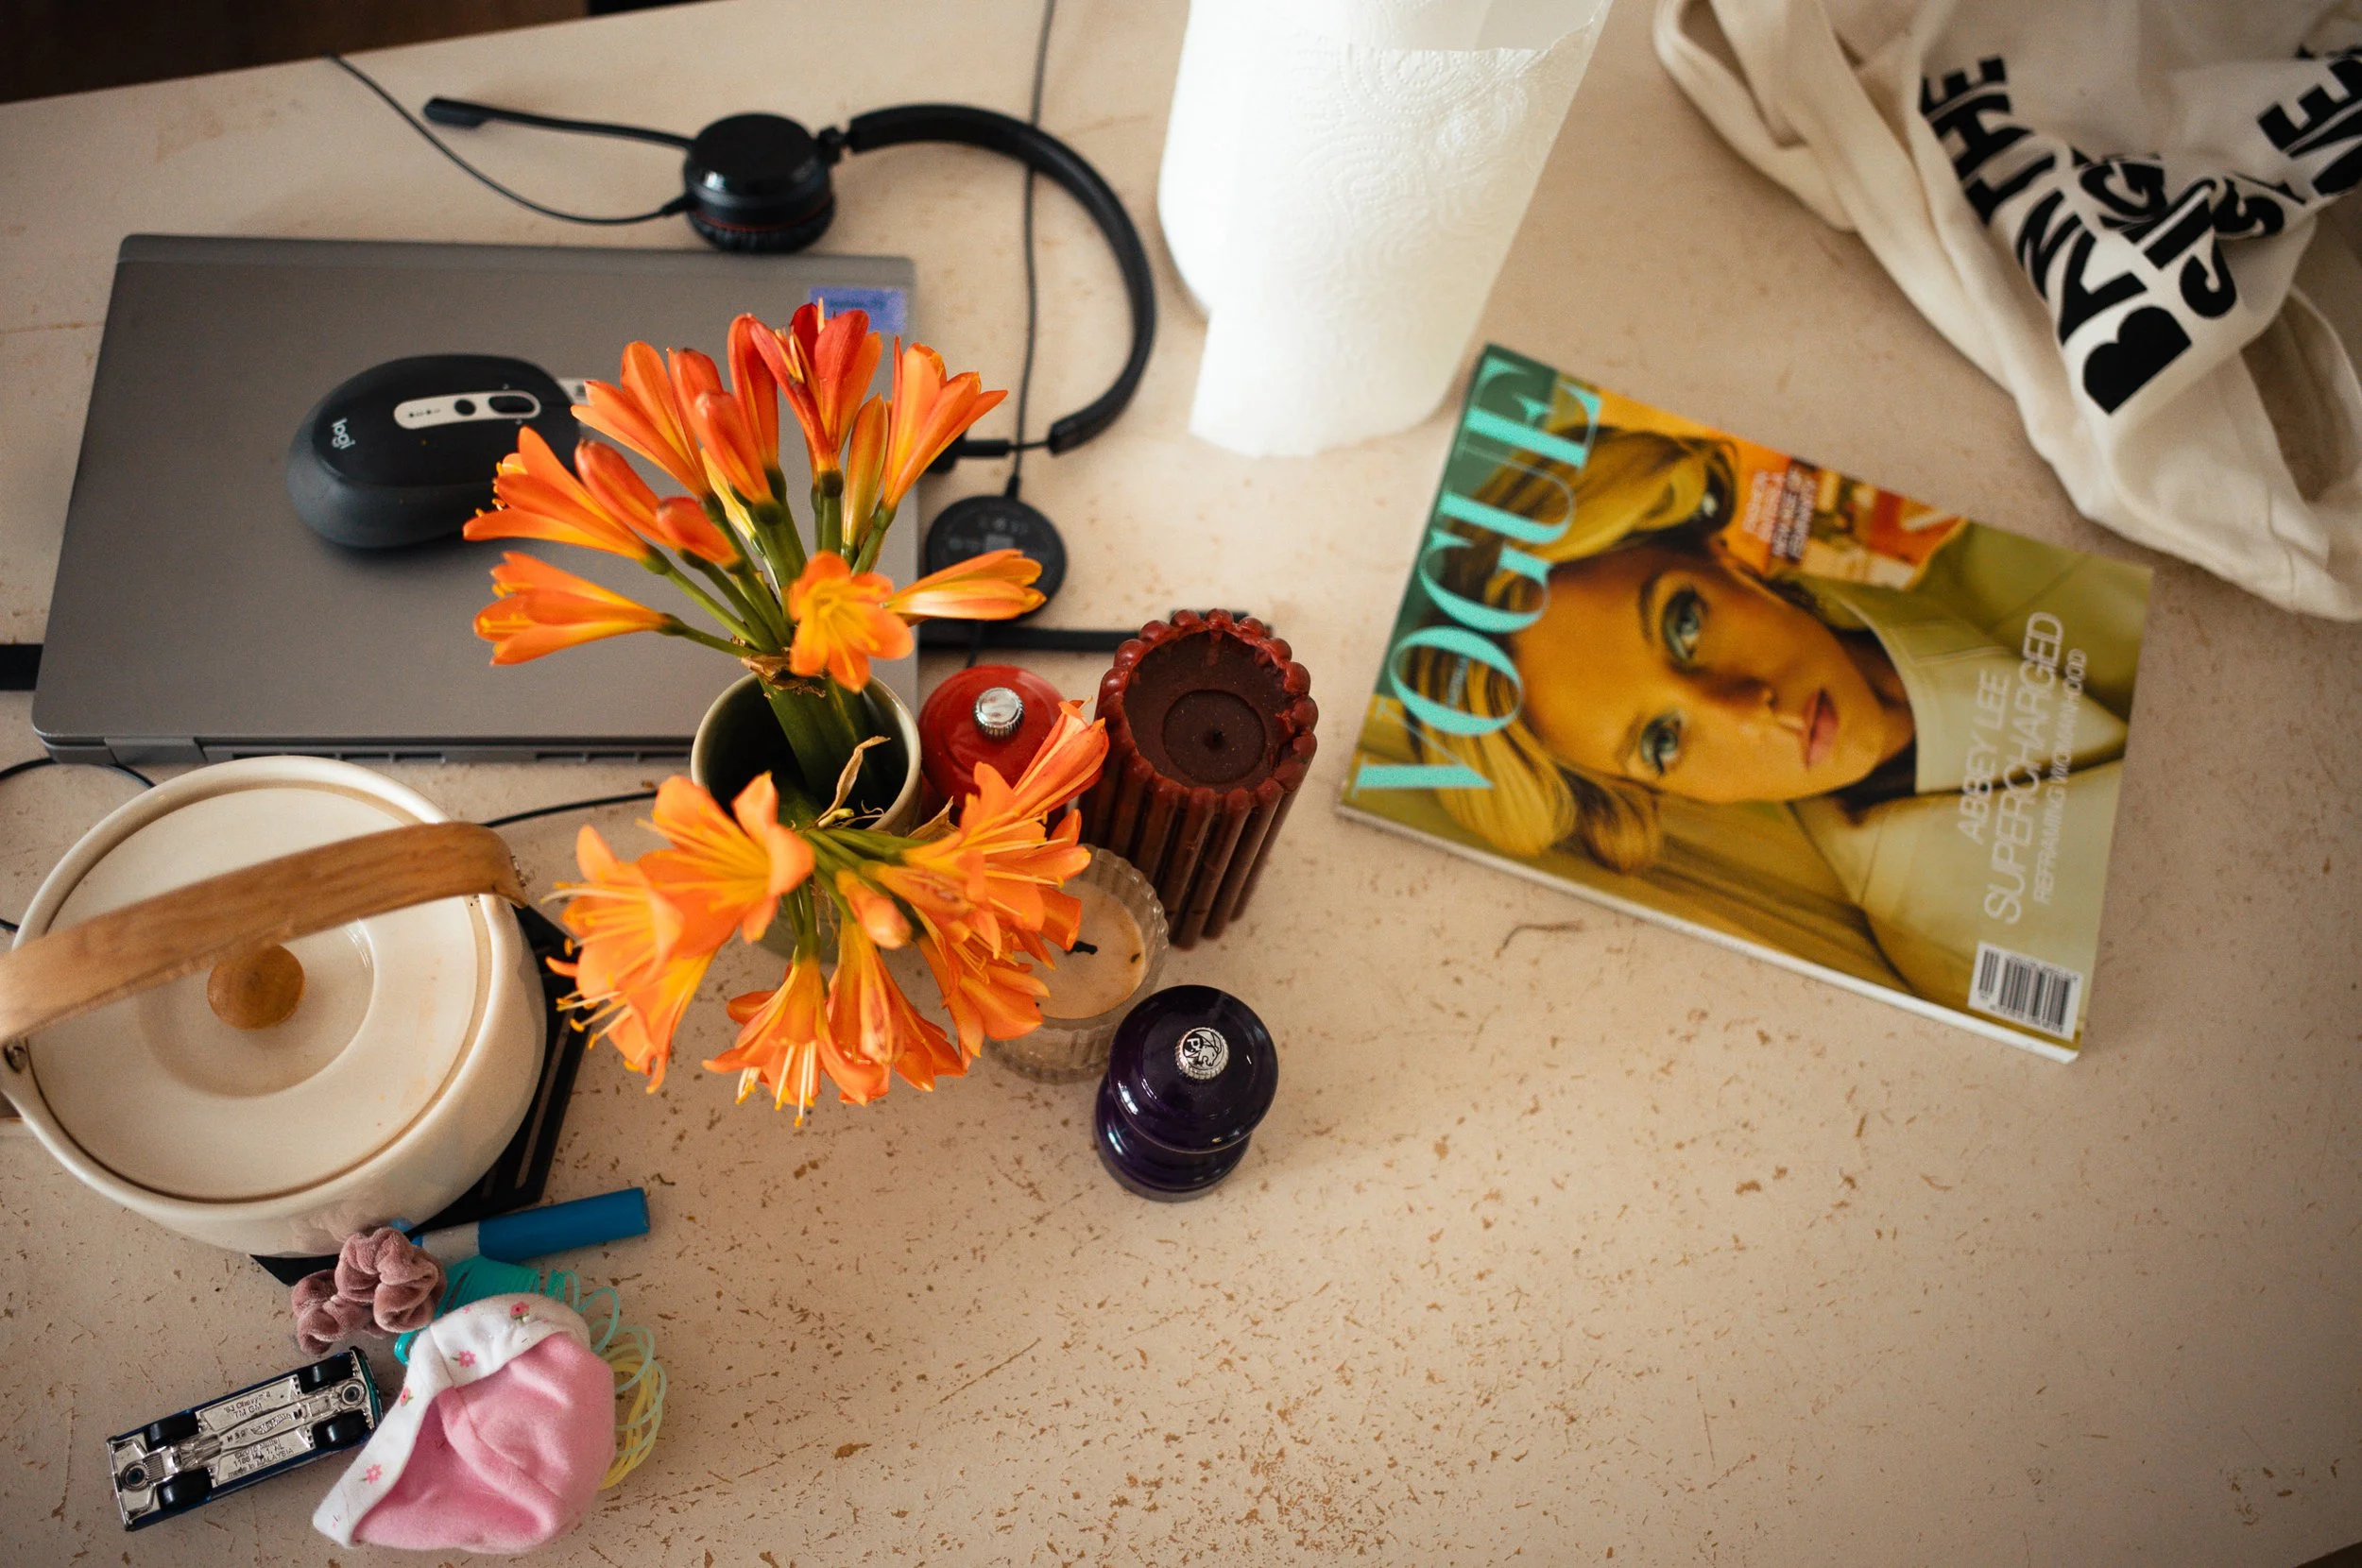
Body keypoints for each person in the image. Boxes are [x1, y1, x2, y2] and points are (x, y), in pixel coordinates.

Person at [1396, 426, 2148, 1009]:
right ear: (1664, 797)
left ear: (1726, 557)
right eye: (1662, 743)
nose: (1746, 714)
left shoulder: (2041, 520)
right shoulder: (1952, 950)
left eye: (1685, 624)